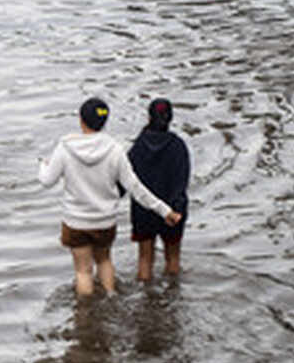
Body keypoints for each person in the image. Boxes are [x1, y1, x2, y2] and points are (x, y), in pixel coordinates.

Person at [37, 97, 182, 297]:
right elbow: (135, 188)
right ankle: (111, 298)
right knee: (104, 261)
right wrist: (165, 211)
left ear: (81, 119)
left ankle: (86, 315)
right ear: (105, 121)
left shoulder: (65, 148)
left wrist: (43, 166)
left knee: (83, 271)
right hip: (104, 221)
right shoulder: (115, 150)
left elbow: (47, 181)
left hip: (76, 222)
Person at [127, 97, 190, 281]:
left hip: (143, 210)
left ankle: (147, 300)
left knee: (145, 260)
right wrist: (177, 208)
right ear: (170, 118)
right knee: (173, 259)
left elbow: (127, 179)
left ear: (149, 117)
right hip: (172, 209)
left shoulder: (138, 146)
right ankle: (172, 297)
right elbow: (181, 180)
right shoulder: (178, 146)